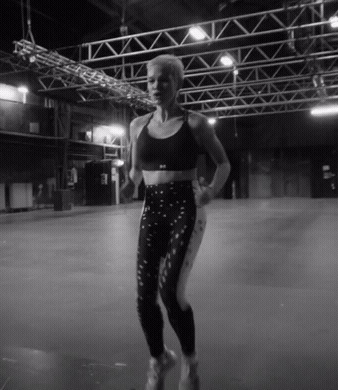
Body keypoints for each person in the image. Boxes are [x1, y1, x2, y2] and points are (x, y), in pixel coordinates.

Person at [120, 54, 230, 390]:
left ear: (177, 83)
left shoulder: (195, 124)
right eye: (151, 80)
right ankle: (158, 358)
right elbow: (137, 169)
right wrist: (131, 182)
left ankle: (190, 362)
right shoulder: (137, 125)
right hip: (152, 209)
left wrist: (212, 189)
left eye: (163, 79)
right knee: (143, 296)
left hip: (186, 207)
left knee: (170, 291)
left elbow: (223, 163)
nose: (155, 86)